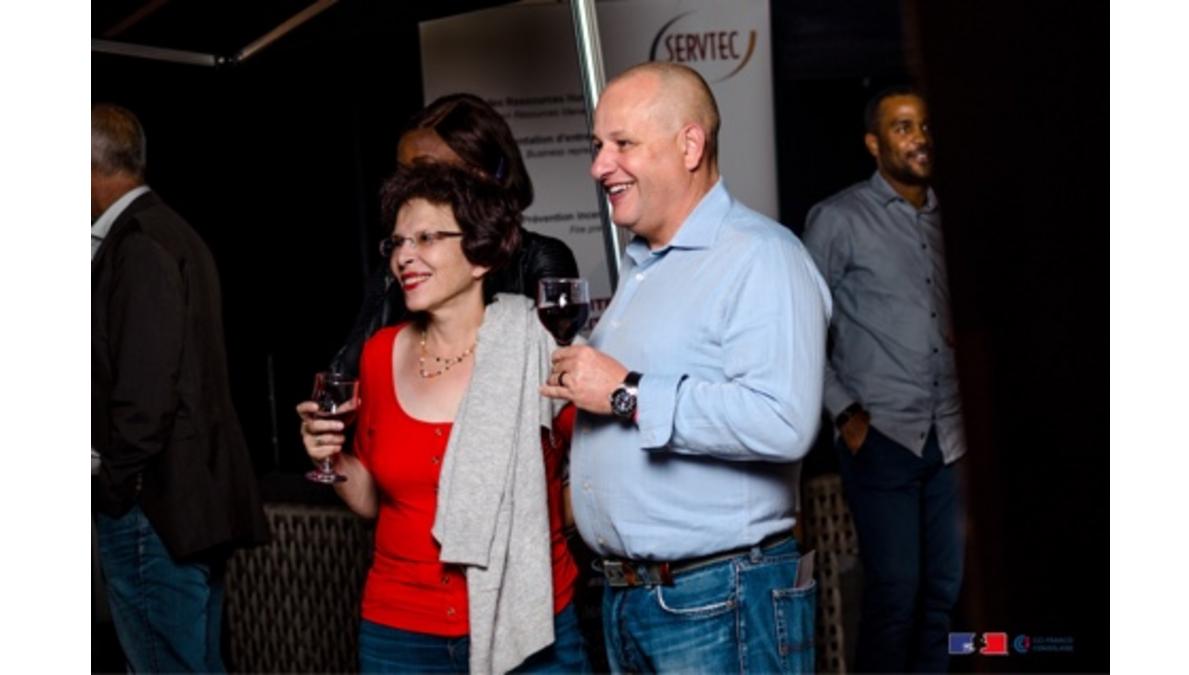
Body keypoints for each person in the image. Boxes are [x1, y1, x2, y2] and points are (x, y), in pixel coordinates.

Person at [540, 62, 831, 673]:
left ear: (690, 146)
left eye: (622, 143)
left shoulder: (762, 257)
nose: (599, 166)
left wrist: (625, 392)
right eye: (598, 146)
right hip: (634, 598)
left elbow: (783, 422)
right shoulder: (645, 264)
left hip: (718, 598)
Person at [299, 164, 586, 674]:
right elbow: (371, 501)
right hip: (400, 632)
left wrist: (537, 535)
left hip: (527, 617)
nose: (404, 256)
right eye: (398, 243)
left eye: (427, 238)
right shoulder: (379, 354)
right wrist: (334, 458)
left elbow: (600, 472)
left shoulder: (537, 347)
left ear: (481, 254)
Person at [91, 103, 270, 672]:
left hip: (154, 509)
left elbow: (146, 394)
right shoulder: (172, 231)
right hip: (184, 504)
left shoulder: (139, 242)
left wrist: (114, 488)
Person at [802, 86, 966, 673]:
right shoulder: (839, 219)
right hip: (883, 437)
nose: (919, 138)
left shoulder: (954, 217)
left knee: (945, 595)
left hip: (952, 438)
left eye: (924, 125)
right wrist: (844, 412)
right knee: (896, 595)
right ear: (874, 144)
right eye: (902, 127)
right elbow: (800, 330)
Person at [330, 93, 579, 376]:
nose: (408, 187)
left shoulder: (538, 258)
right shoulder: (402, 265)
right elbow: (345, 374)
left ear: (482, 176)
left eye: (426, 173)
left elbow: (554, 371)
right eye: (403, 174)